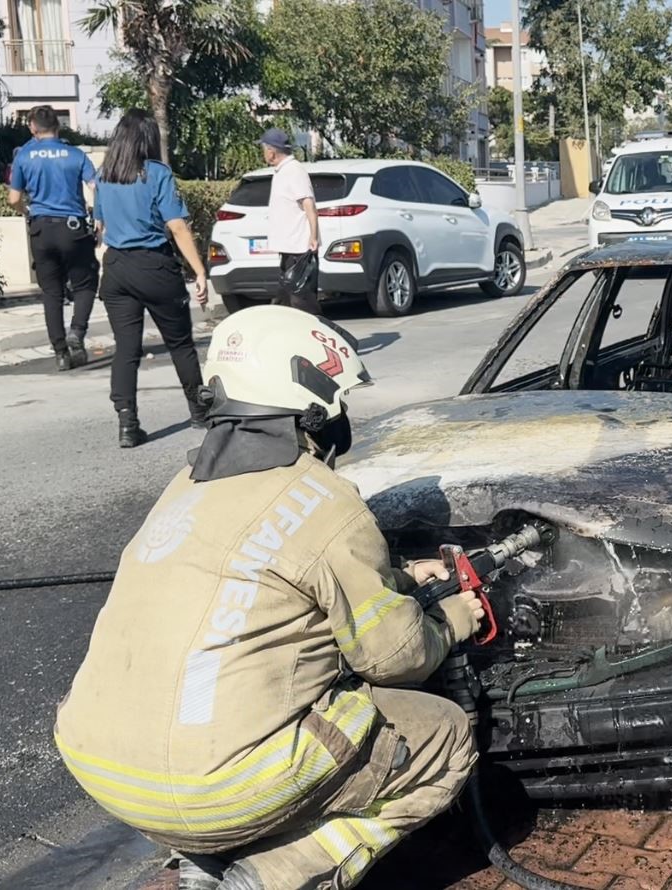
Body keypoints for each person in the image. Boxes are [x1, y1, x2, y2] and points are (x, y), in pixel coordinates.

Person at [54, 306, 483, 890]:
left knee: (253, 706)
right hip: (214, 788)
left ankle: (201, 859)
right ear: (315, 406)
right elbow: (394, 658)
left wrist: (401, 576)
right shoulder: (325, 499)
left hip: (107, 770)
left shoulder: (184, 490)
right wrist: (451, 619)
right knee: (444, 735)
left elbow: (272, 576)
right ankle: (275, 874)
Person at [94, 109, 209, 448]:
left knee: (126, 350)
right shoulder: (158, 174)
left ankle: (127, 424)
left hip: (116, 270)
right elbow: (176, 226)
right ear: (148, 140)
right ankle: (199, 410)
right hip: (154, 267)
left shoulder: (105, 176)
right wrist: (199, 270)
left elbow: (100, 227)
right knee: (179, 343)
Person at [8, 105, 99, 371]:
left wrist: (27, 211)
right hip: (73, 229)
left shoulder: (24, 157)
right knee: (85, 283)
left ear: (33, 127)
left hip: (41, 229)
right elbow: (95, 186)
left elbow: (14, 198)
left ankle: (60, 352)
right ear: (58, 127)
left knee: (51, 292)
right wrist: (101, 218)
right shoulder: (75, 155)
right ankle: (77, 332)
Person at [260, 128, 321, 315]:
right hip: (289, 249)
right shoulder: (282, 171)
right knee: (287, 301)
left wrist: (313, 236)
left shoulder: (294, 171)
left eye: (263, 148)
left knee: (302, 301)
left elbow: (308, 203)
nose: (263, 153)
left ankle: (315, 337)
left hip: (300, 249)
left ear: (271, 151)